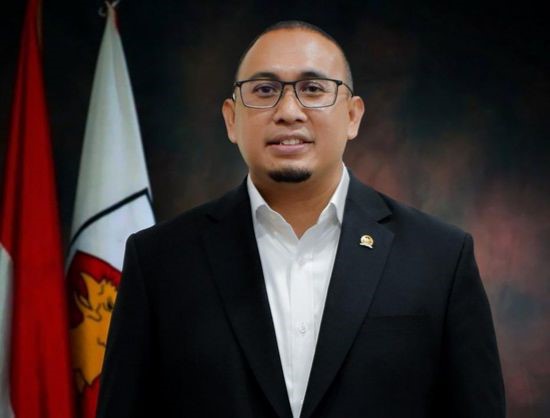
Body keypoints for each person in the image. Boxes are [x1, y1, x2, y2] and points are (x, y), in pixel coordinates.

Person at [96, 21, 505, 418]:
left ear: (352, 115)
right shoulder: (160, 261)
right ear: (231, 119)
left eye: (313, 89)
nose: (289, 111)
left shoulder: (439, 258)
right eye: (264, 90)